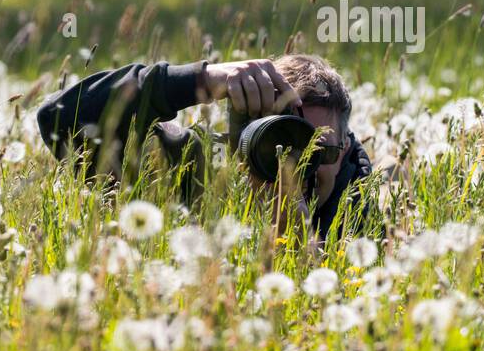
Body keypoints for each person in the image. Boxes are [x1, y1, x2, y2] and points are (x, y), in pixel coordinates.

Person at [36, 53, 375, 238]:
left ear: (344, 150)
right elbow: (60, 118)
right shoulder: (195, 170)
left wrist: (294, 228)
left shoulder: (356, 202)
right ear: (239, 139)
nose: (296, 167)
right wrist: (199, 79)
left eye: (318, 150)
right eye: (282, 143)